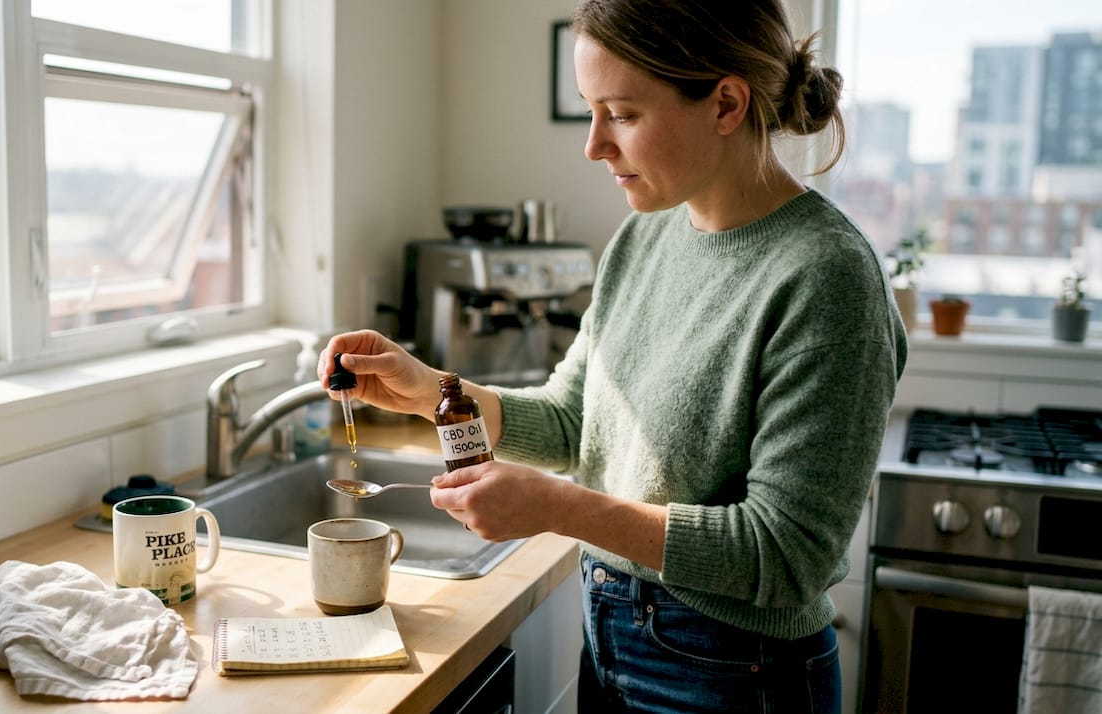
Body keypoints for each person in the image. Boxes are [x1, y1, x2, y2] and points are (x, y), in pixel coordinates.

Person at [319, 0, 907, 710]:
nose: (594, 144)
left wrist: (562, 507)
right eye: (590, 110)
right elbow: (577, 420)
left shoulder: (827, 276)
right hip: (613, 637)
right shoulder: (645, 238)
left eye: (621, 114)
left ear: (725, 103)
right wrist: (430, 390)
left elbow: (787, 554)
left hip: (736, 673)